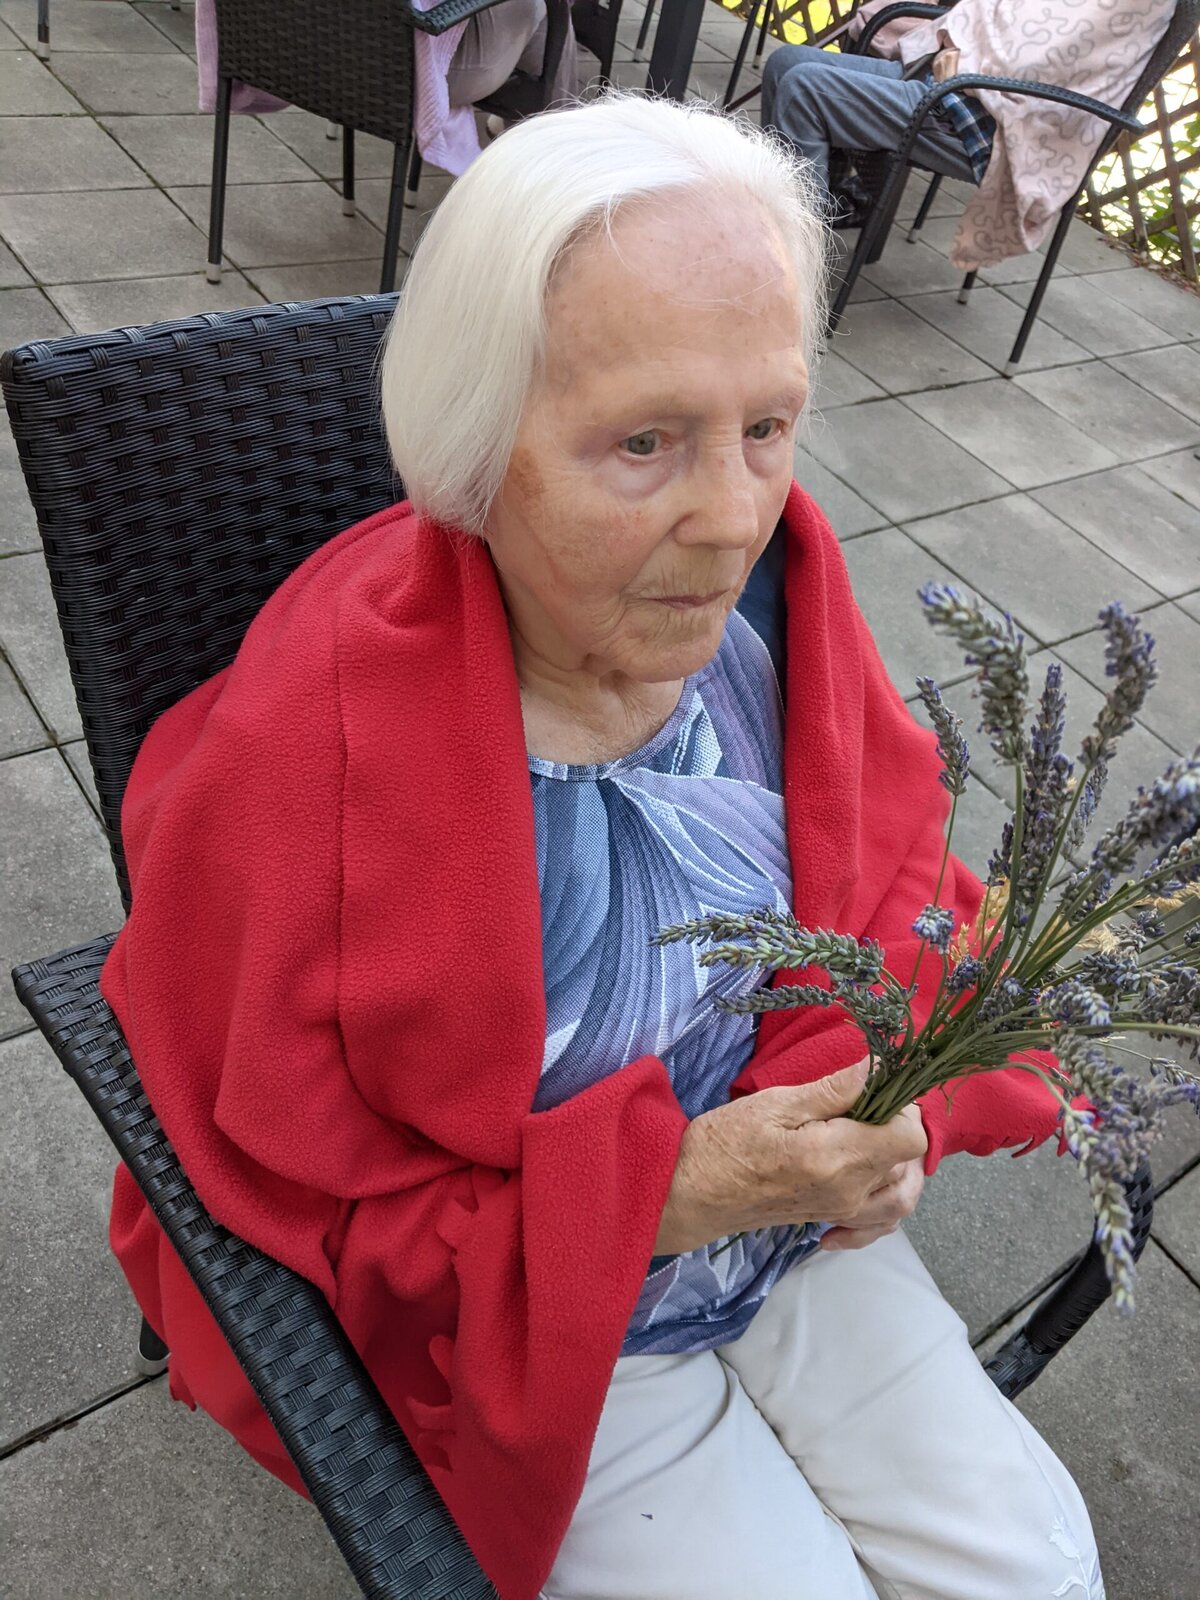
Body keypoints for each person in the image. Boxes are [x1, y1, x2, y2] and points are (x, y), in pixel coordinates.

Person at [103, 94, 1104, 1600]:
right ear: (475, 447)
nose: (735, 519)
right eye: (645, 442)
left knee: (1036, 1565)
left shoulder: (777, 612)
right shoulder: (318, 761)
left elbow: (896, 895)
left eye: (766, 426)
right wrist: (663, 1196)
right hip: (538, 1314)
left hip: (790, 1232)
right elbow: (316, 1219)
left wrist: (889, 1115)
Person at [763, 0, 1175, 268]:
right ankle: (800, 212)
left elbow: (1042, 60)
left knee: (805, 89)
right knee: (786, 63)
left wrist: (964, 52)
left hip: (997, 120)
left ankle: (792, 262)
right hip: (956, 83)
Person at [194, 0, 577, 176]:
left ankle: (546, 144)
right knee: (549, 14)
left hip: (290, 50)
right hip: (406, 70)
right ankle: (555, 163)